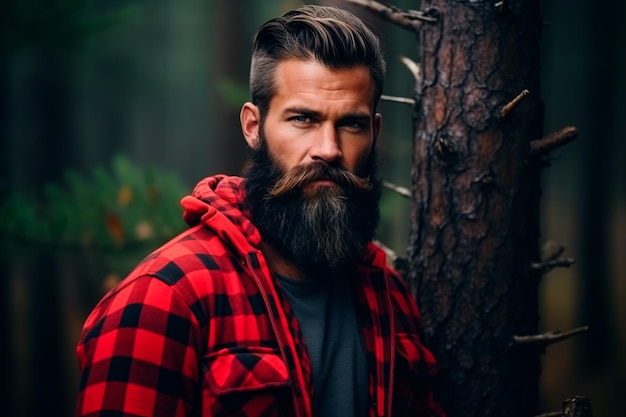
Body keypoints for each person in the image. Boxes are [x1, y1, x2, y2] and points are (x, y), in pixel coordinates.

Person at [75, 5, 445, 417]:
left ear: (375, 132)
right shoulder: (163, 299)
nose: (329, 148)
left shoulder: (388, 296)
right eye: (303, 118)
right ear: (253, 127)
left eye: (352, 124)